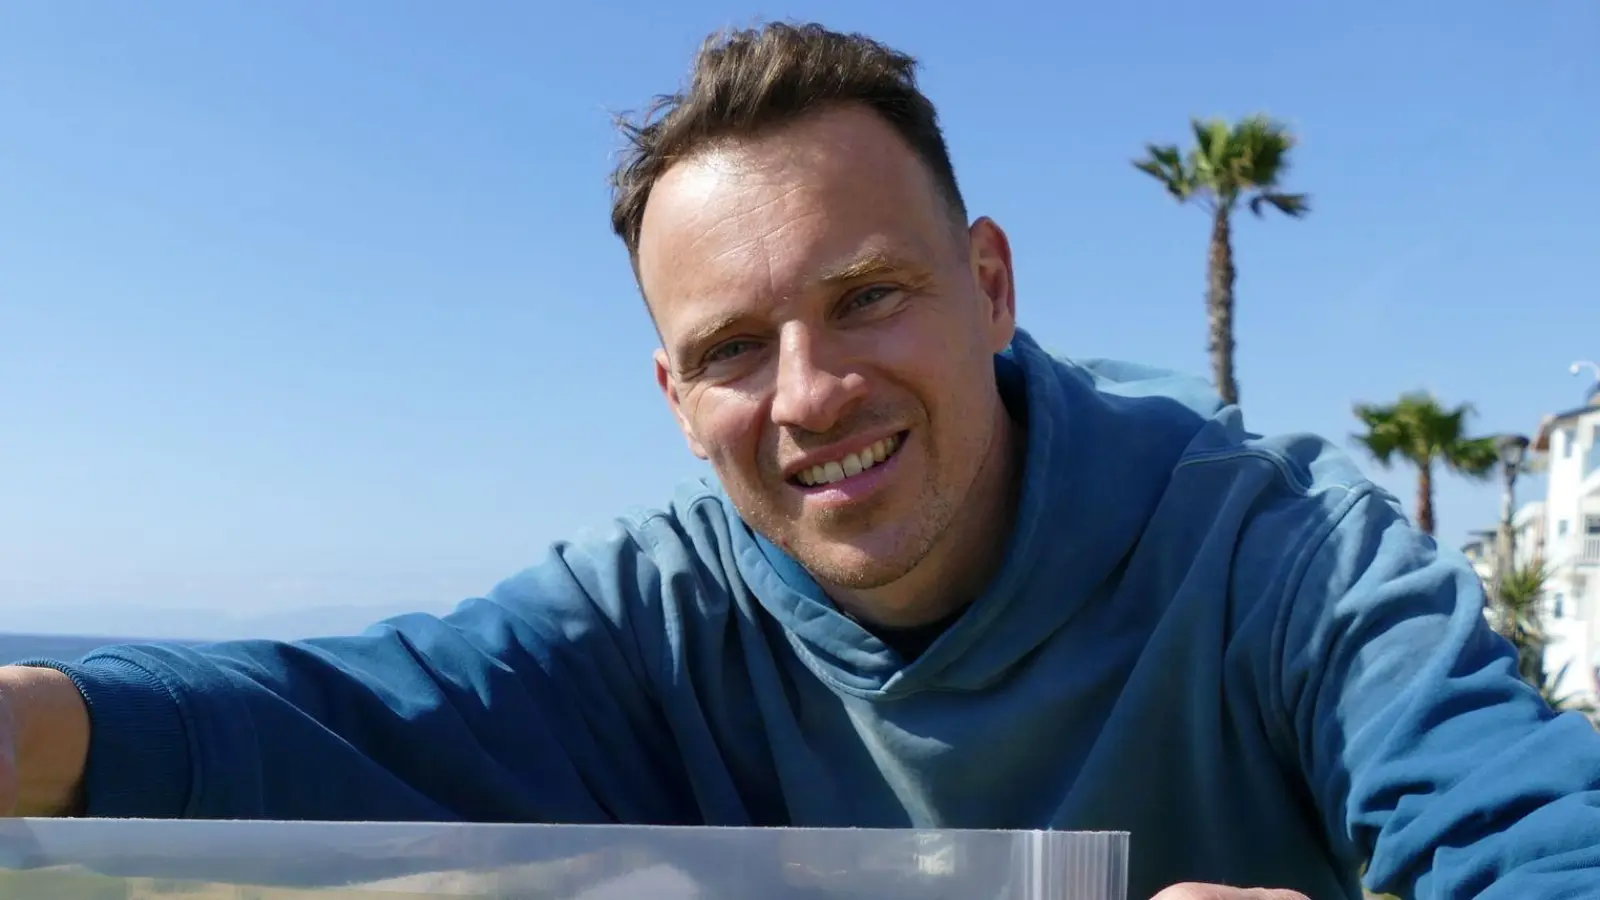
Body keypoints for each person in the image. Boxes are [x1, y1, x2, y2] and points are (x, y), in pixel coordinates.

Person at [1, 21, 1596, 900]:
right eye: (731, 351)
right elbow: (368, 711)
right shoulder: (661, 612)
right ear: (673, 396)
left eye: (868, 299)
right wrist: (42, 727)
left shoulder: (1284, 551)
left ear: (989, 286)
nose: (811, 393)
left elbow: (1539, 831)